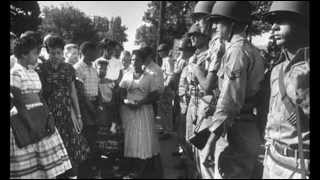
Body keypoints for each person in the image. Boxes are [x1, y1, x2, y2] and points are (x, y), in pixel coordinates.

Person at [201, 1, 265, 179]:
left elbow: (229, 101)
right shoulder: (252, 50)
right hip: (247, 127)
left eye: (219, 22)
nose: (214, 26)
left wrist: (211, 142)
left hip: (235, 129)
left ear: (232, 24)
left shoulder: (236, 52)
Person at [10, 33, 72, 179]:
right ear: (24, 55)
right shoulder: (15, 73)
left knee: (47, 167)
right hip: (24, 121)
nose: (37, 57)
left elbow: (41, 97)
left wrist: (48, 117)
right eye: (35, 53)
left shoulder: (33, 72)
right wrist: (30, 123)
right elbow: (17, 101)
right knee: (30, 168)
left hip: (40, 118)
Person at [262, 1, 309, 179]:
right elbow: (271, 115)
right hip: (272, 158)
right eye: (273, 22)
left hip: (299, 165)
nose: (273, 27)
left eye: (282, 21)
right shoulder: (277, 69)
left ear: (301, 24)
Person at [37, 35, 90, 179]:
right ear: (48, 52)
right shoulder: (41, 69)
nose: (55, 56)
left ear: (63, 53)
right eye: (52, 53)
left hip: (68, 115)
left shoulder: (68, 69)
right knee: (52, 153)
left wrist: (78, 116)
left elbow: (73, 93)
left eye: (58, 53)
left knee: (72, 150)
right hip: (49, 116)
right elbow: (39, 94)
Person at [119, 49, 160, 178]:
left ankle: (141, 169)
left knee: (142, 138)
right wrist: (125, 101)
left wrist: (141, 102)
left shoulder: (149, 76)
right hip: (129, 111)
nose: (134, 62)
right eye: (132, 59)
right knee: (131, 139)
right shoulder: (127, 74)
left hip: (143, 111)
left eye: (136, 60)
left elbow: (155, 95)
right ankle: (132, 167)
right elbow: (120, 91)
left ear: (142, 61)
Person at [74, 41, 101, 178]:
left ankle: (91, 168)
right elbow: (81, 94)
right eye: (94, 51)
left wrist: (99, 104)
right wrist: (92, 110)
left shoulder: (93, 67)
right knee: (87, 138)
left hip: (94, 104)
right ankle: (85, 170)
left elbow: (97, 87)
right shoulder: (77, 68)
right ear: (86, 52)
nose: (97, 54)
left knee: (94, 138)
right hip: (84, 108)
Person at [157, 43, 175, 140]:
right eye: (159, 51)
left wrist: (165, 87)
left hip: (166, 89)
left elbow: (170, 75)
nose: (159, 53)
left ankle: (168, 130)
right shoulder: (164, 60)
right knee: (163, 110)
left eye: (161, 51)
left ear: (165, 51)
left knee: (167, 110)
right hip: (163, 88)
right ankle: (165, 129)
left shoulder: (168, 60)